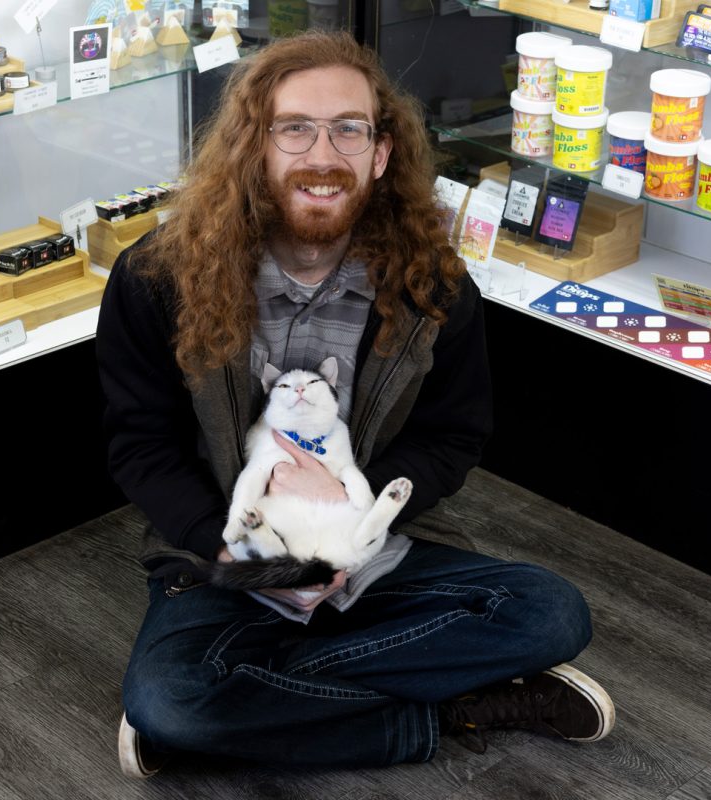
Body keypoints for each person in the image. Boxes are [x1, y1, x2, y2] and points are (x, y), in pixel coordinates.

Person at [95, 30, 614, 778]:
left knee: (553, 611)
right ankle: (446, 710)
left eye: (349, 129)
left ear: (380, 153)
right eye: (294, 128)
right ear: (255, 149)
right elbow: (140, 445)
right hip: (222, 556)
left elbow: (453, 436)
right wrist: (241, 551)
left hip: (372, 547)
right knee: (171, 697)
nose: (322, 153)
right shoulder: (156, 277)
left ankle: (241, 712)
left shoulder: (433, 285)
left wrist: (354, 518)